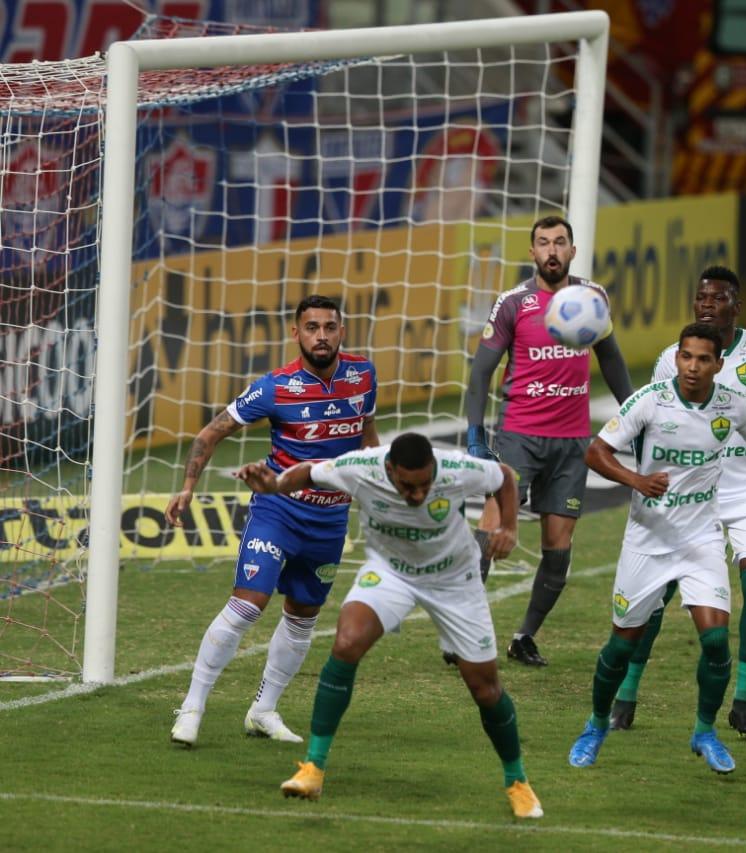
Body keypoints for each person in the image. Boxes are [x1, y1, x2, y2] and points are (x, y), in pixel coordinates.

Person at [235, 433, 543, 820]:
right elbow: (310, 474)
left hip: (454, 579)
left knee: (484, 686)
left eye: (425, 485)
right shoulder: (360, 468)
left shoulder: (456, 469)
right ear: (389, 470)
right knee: (346, 643)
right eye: (407, 486)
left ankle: (517, 782)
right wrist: (277, 485)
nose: (417, 495)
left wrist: (510, 527)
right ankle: (312, 769)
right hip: (391, 573)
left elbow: (504, 477)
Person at [607, 266, 746, 737]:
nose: (706, 305)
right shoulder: (669, 359)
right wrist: (644, 482)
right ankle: (626, 694)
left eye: (717, 299)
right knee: (656, 596)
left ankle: (743, 702)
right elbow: (647, 425)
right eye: (701, 298)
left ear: (736, 307)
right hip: (688, 494)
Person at [166, 295, 379, 747]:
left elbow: (367, 437)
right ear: (296, 333)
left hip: (330, 518)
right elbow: (211, 432)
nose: (321, 336)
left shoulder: (363, 376)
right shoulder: (274, 387)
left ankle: (263, 710)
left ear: (342, 330)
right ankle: (192, 706)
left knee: (303, 616)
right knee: (248, 604)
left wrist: (376, 485)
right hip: (279, 509)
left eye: (329, 327)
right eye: (312, 327)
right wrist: (187, 486)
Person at [568, 323, 746, 775]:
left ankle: (705, 732)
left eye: (703, 359)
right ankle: (596, 724)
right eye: (686, 356)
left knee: (717, 641)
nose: (692, 366)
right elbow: (596, 451)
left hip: (701, 539)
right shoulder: (650, 400)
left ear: (718, 365)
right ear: (678, 358)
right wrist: (637, 480)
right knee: (621, 645)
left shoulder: (732, 405)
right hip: (647, 541)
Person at [464, 215, 633, 667]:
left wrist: (636, 414)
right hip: (519, 434)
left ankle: (524, 636)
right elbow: (481, 371)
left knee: (558, 549)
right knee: (494, 527)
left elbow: (612, 361)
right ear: (532, 252)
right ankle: (464, 632)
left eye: (560, 242)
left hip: (573, 444)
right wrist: (475, 433)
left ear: (573, 251)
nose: (552, 251)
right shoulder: (513, 304)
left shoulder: (592, 299)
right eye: (543, 243)